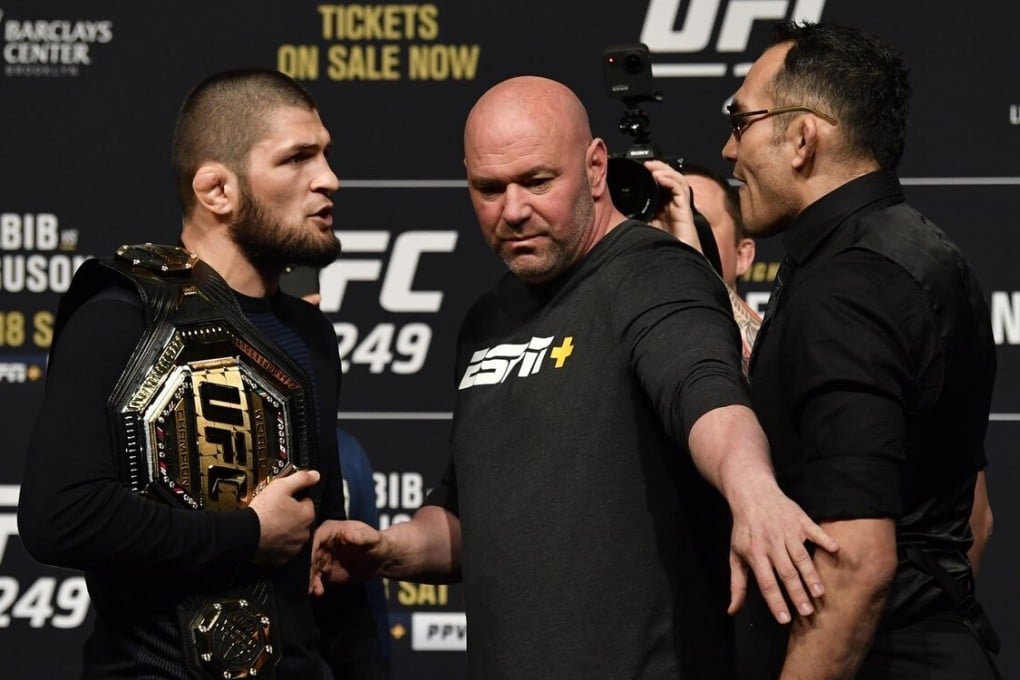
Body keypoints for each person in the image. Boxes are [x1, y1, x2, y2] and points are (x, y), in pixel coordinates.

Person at [311, 75, 841, 679]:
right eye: (489, 188)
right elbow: (466, 515)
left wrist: (753, 490)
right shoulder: (486, 320)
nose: (513, 210)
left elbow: (704, 392)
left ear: (595, 168)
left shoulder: (654, 271)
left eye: (537, 181)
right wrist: (389, 549)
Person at [17, 68, 380, 679]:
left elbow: (321, 566)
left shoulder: (311, 334)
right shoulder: (120, 315)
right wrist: (244, 534)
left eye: (325, 154)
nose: (328, 180)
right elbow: (60, 516)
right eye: (297, 158)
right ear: (217, 189)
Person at [724, 21, 999, 679]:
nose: (728, 148)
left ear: (801, 138)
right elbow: (975, 519)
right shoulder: (922, 253)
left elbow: (858, 562)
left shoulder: (844, 288)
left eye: (743, 122)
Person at [645, 161, 762, 374]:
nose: (676, 231)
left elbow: (771, 368)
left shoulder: (777, 340)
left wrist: (692, 259)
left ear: (743, 255)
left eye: (698, 221)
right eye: (665, 221)